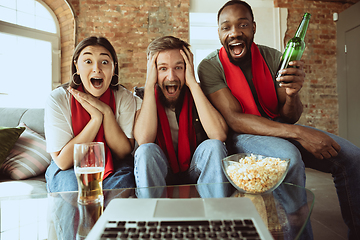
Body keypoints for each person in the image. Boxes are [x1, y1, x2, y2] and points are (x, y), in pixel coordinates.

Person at [197, 1, 360, 239]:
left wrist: (293, 94)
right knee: (288, 158)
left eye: (242, 25)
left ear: (253, 27)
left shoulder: (274, 57)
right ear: (219, 32)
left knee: (353, 157)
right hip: (244, 136)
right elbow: (235, 120)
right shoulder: (210, 66)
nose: (234, 33)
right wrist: (302, 134)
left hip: (279, 127)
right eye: (226, 27)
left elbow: (290, 115)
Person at [133, 36, 231, 198]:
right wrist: (149, 85)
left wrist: (192, 83)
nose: (171, 77)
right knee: (145, 151)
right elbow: (144, 139)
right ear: (152, 70)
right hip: (162, 171)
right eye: (162, 68)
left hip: (194, 169)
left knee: (214, 146)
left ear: (187, 68)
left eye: (178, 67)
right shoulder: (142, 96)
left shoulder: (199, 93)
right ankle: (150, 216)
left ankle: (216, 214)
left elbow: (219, 135)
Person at [45, 36, 141, 192]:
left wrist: (106, 112)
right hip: (69, 167)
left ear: (114, 67)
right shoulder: (58, 99)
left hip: (114, 163)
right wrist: (96, 119)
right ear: (76, 66)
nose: (97, 68)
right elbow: (62, 162)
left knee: (121, 189)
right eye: (88, 61)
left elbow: (123, 152)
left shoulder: (124, 97)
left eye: (104, 62)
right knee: (72, 192)